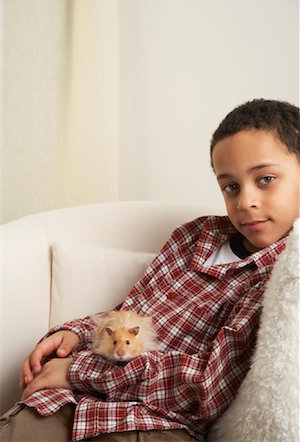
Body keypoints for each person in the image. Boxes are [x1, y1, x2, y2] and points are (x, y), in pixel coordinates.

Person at [1, 99, 299, 442]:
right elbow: (133, 317)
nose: (245, 201)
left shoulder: (280, 273)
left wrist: (79, 370)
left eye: (266, 179)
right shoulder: (194, 236)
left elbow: (206, 388)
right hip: (70, 400)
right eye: (230, 186)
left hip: (157, 425)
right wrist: (78, 334)